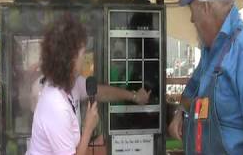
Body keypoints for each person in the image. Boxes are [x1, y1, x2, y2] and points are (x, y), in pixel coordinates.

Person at [27, 14, 150, 155]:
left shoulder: (68, 84)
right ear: (70, 58)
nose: (84, 58)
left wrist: (134, 96)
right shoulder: (55, 105)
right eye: (82, 53)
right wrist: (88, 127)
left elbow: (101, 92)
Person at [168, 0, 243, 154]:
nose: (191, 20)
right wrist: (179, 112)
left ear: (205, 7)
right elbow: (192, 89)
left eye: (191, 10)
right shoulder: (210, 52)